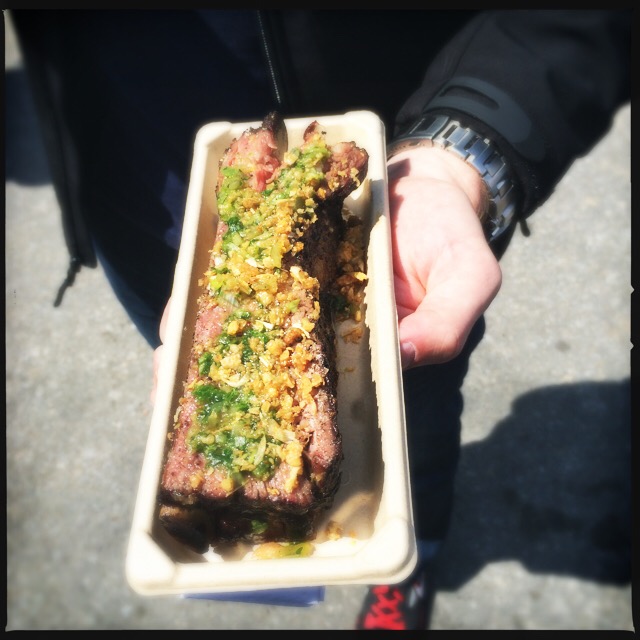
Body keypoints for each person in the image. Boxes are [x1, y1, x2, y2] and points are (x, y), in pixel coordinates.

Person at [10, 10, 631, 630]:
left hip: (403, 155)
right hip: (137, 185)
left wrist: (466, 145)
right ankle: (259, 559)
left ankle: (414, 559)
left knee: (415, 415)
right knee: (178, 389)